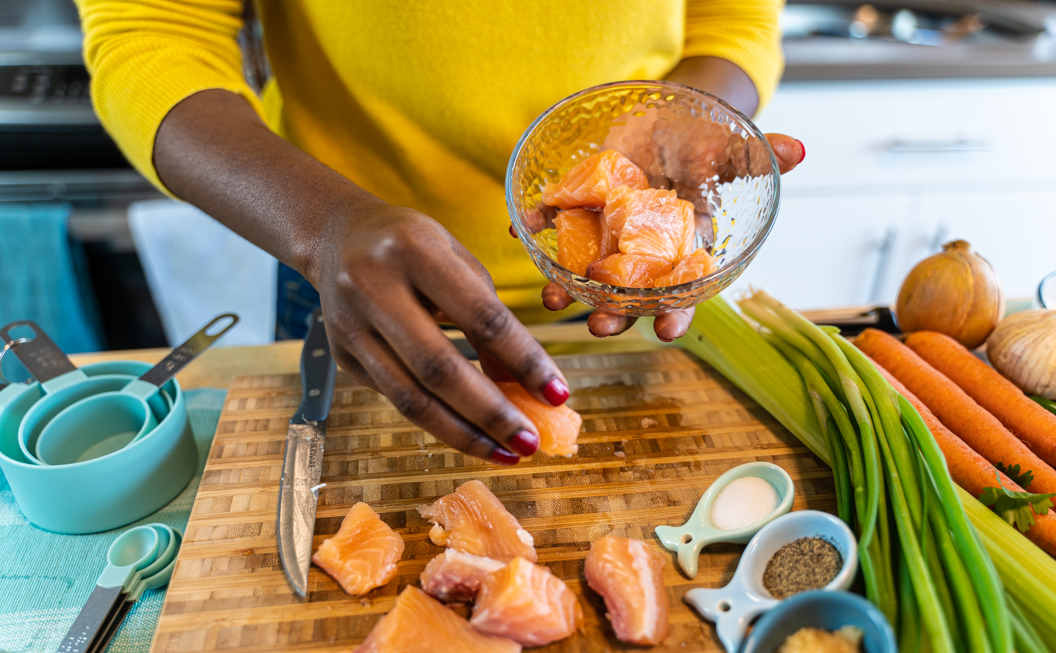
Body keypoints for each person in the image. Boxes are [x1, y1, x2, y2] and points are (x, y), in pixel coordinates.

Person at [77, 0, 804, 465]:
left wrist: (689, 112)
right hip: (355, 282)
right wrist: (323, 225)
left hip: (622, 307)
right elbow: (151, 30)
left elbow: (733, 16)